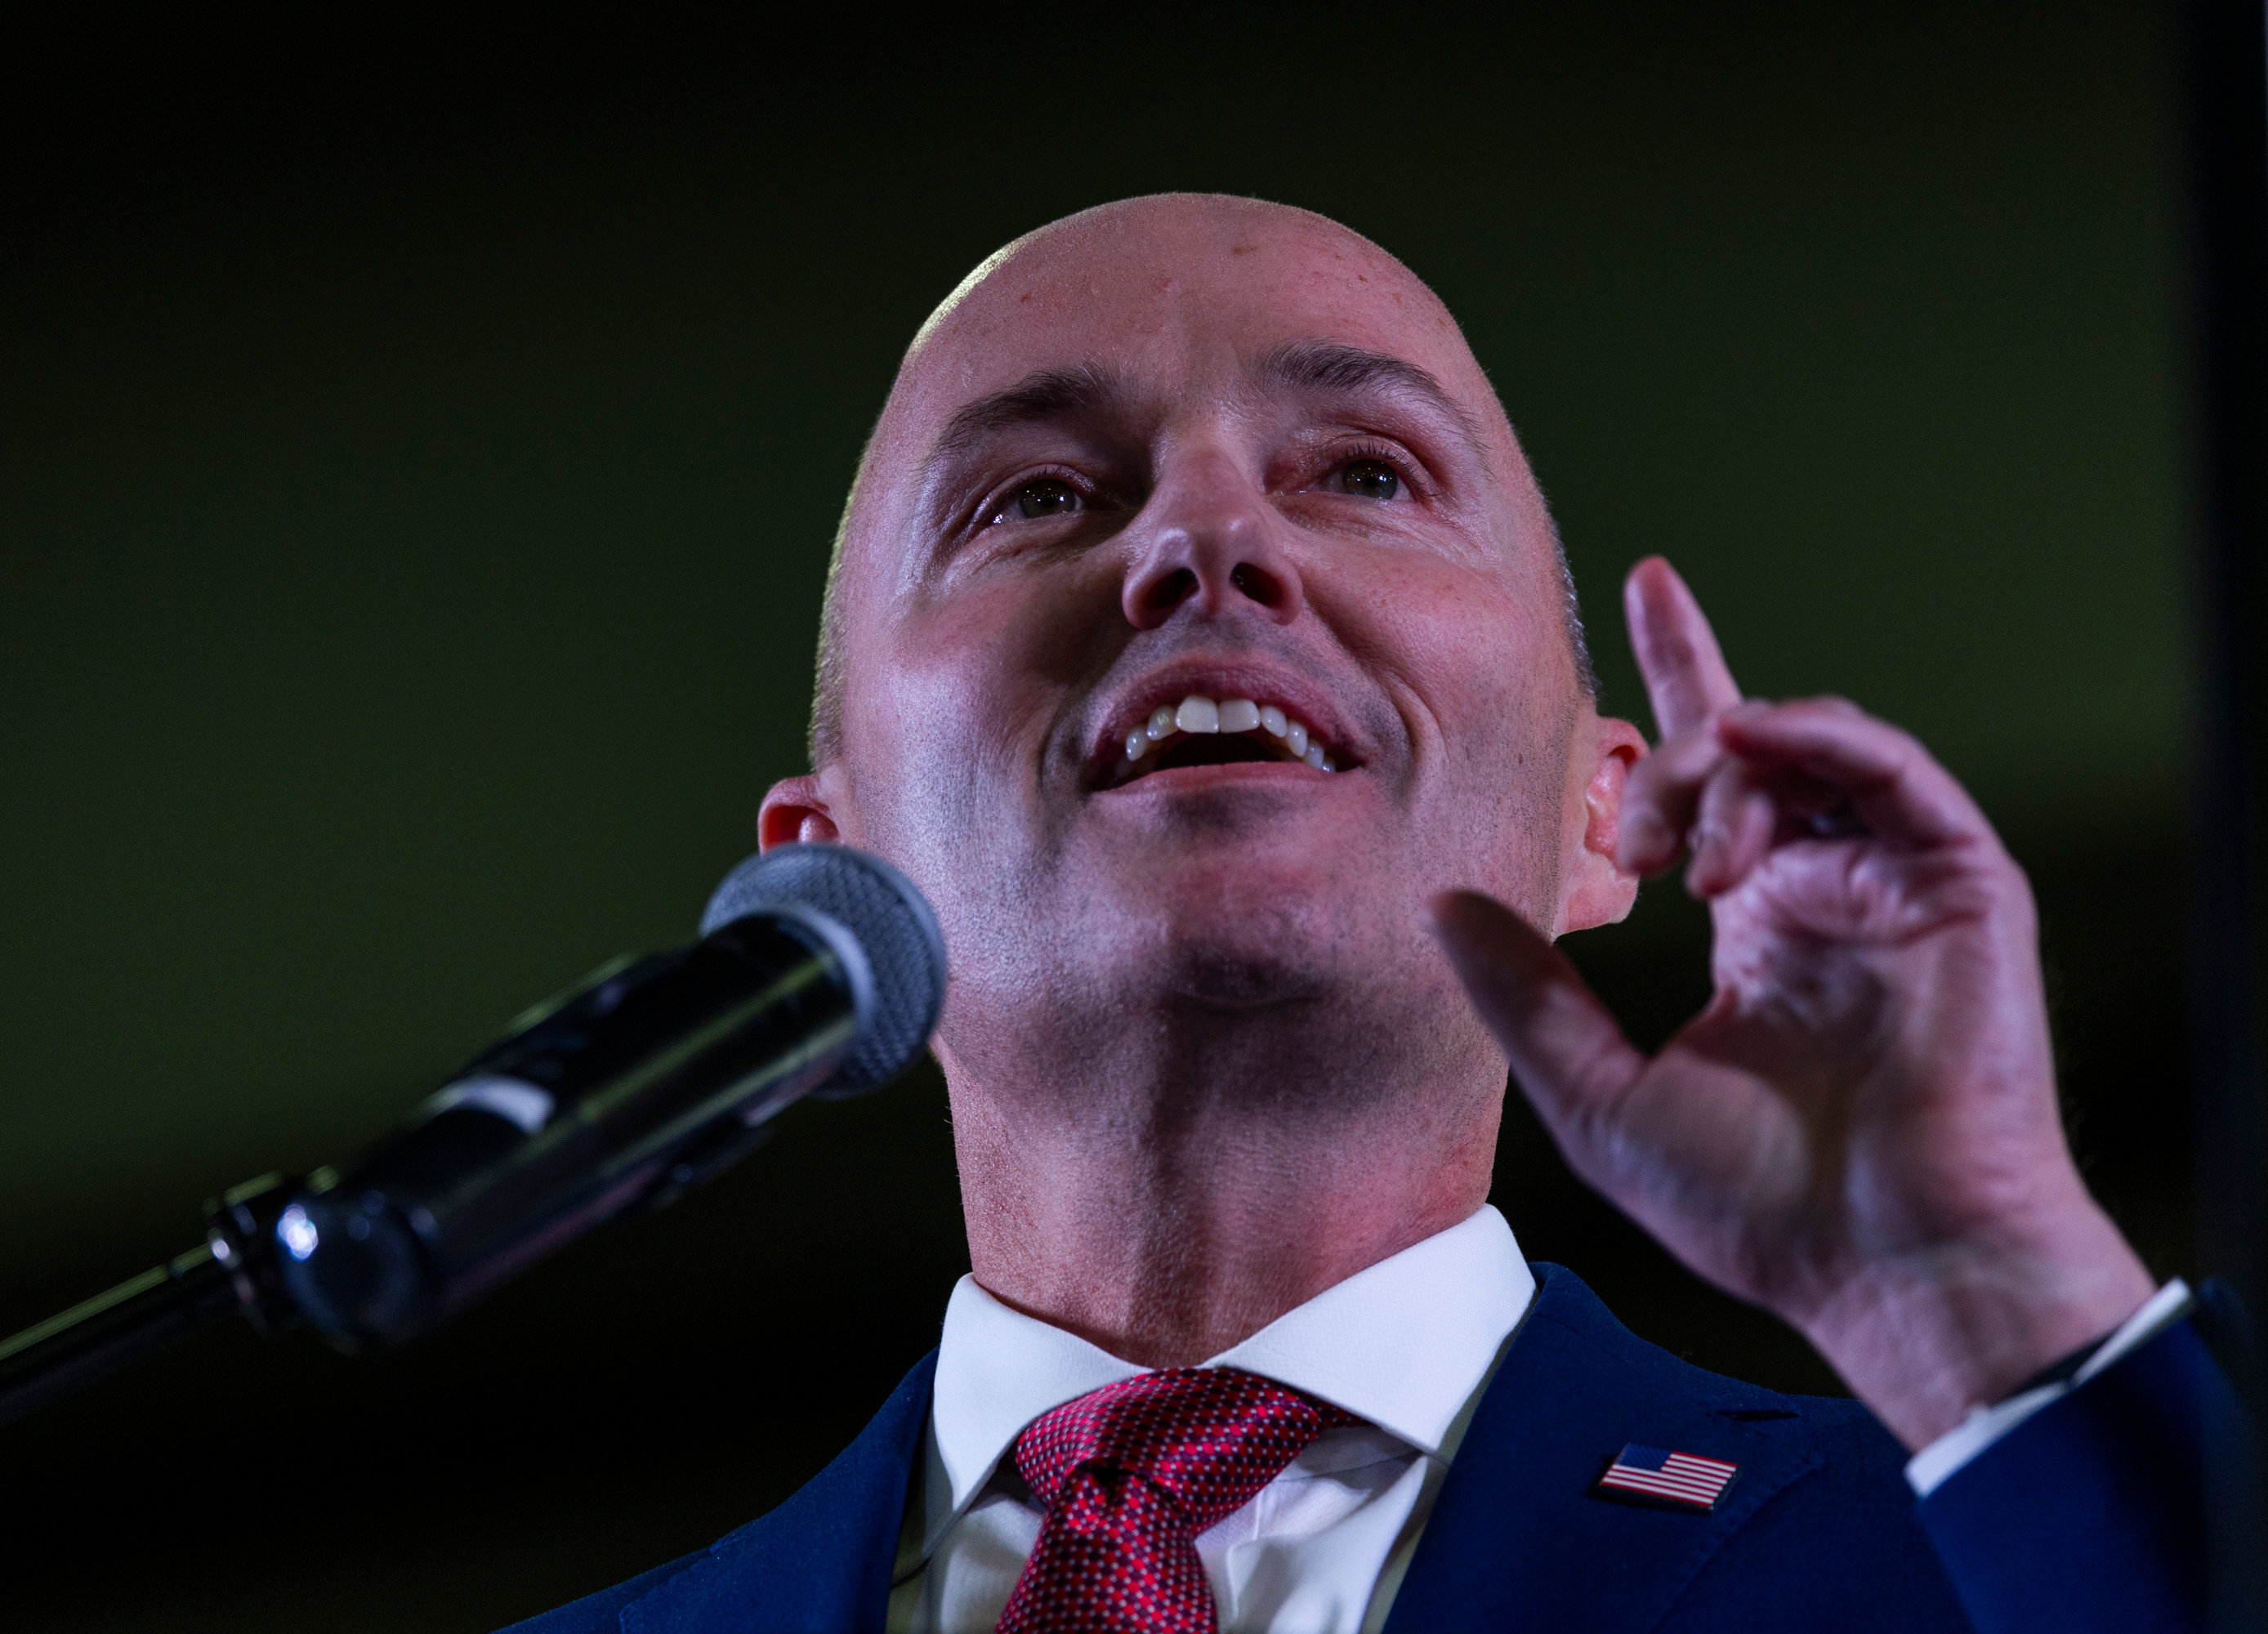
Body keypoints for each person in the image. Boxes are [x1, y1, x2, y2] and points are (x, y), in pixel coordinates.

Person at [507, 195, 2243, 1633]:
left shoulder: (2005, 1556)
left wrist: (1985, 1303)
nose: (1204, 535)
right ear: (833, 859)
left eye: (1363, 471)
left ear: (1599, 813)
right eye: (1036, 494)